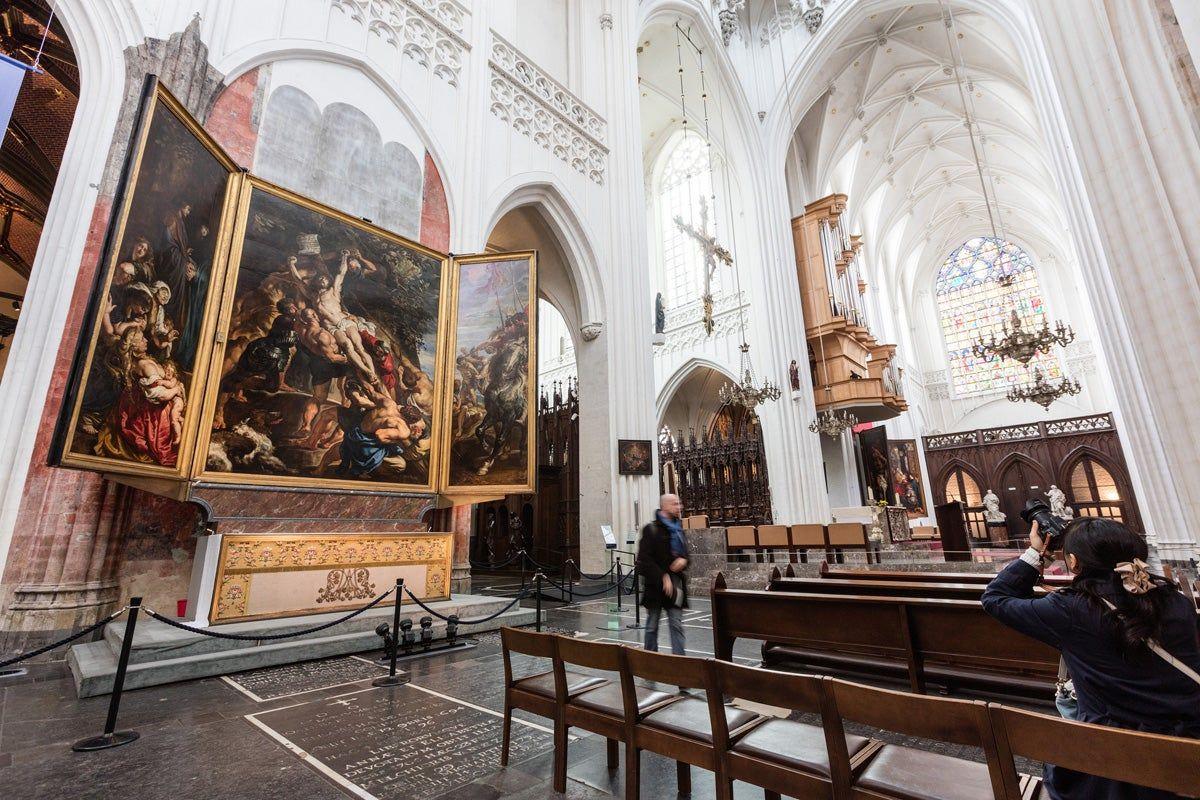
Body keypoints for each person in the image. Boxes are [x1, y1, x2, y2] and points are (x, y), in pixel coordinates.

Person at [982, 517, 1200, 799]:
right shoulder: (1176, 600)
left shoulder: (1071, 610)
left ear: (1073, 562)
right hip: (1190, 751)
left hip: (1116, 769)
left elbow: (996, 598)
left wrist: (1035, 553)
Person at [636, 493, 689, 655]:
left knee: (676, 624)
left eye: (679, 503)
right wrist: (662, 576)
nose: (679, 507)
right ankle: (650, 658)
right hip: (656, 586)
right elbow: (644, 560)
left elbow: (686, 554)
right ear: (665, 506)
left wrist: (684, 560)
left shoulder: (678, 529)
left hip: (676, 586)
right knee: (652, 625)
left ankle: (680, 661)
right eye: (675, 504)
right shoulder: (650, 529)